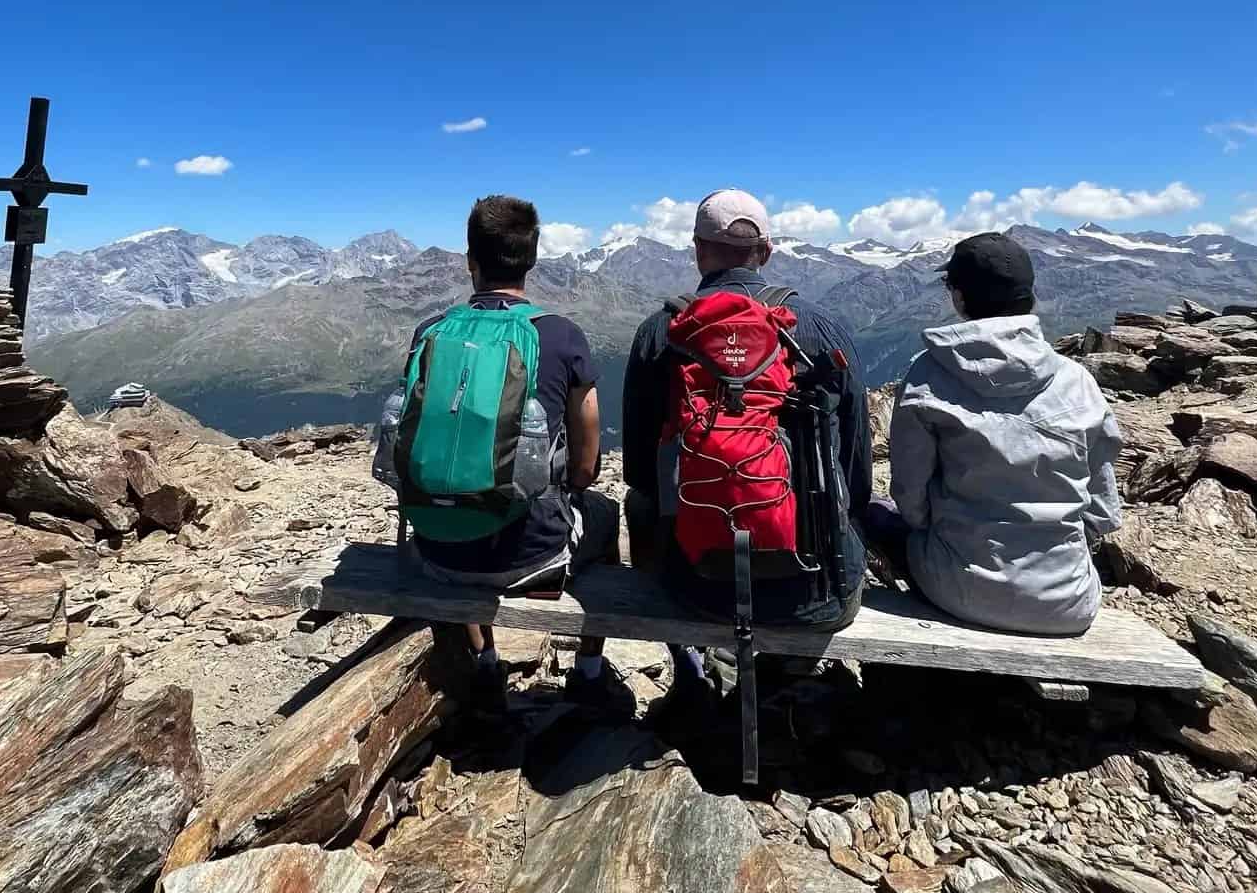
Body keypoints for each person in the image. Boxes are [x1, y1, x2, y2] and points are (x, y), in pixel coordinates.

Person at [621, 189, 871, 700]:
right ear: (768, 251)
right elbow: (857, 474)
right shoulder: (822, 327)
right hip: (816, 594)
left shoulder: (660, 332)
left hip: (693, 591)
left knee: (637, 502)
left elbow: (640, 472)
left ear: (697, 248)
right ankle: (789, 670)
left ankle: (690, 666)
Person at [393, 194, 629, 716]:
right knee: (607, 515)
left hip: (435, 550)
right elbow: (587, 465)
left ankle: (485, 664)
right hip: (533, 558)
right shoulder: (562, 336)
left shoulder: (430, 332)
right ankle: (588, 674)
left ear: (470, 259)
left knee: (461, 503)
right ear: (533, 258)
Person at [870, 232, 1123, 636]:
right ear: (1030, 297)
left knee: (870, 510)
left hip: (960, 589)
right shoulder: (1078, 381)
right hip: (1068, 602)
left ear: (960, 297)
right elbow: (1104, 510)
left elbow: (911, 500)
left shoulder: (928, 375)